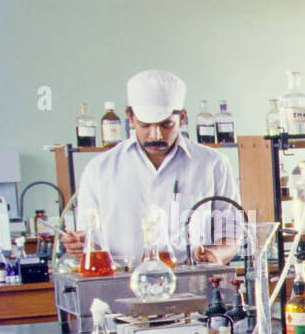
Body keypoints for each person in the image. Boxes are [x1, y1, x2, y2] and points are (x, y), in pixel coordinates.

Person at [62, 69, 242, 269]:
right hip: (122, 285)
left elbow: (232, 233)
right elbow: (88, 238)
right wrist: (79, 245)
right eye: (145, 125)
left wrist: (217, 254)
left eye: (166, 125)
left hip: (192, 284)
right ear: (130, 117)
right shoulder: (99, 170)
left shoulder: (213, 164)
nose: (156, 135)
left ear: (182, 118)